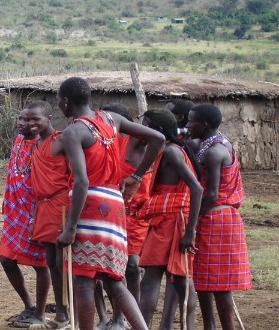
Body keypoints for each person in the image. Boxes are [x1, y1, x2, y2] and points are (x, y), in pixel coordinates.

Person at [56, 77, 164, 330]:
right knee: (114, 279)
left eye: (60, 101)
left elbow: (81, 181)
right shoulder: (110, 119)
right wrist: (137, 177)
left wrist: (71, 227)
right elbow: (158, 138)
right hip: (115, 203)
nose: (60, 105)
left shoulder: (74, 131)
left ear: (66, 102)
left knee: (83, 279)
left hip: (89, 205)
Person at [186, 104, 252, 330]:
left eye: (191, 121)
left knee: (220, 284)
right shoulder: (217, 143)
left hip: (216, 220)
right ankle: (209, 327)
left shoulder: (214, 152)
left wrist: (191, 222)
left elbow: (212, 194)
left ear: (204, 125)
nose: (187, 125)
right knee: (203, 280)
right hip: (217, 219)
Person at [136, 109, 203, 330]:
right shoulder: (171, 150)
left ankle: (142, 326)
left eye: (145, 125)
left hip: (172, 222)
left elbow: (196, 189)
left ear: (158, 131)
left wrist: (190, 232)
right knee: (178, 281)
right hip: (168, 220)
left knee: (153, 283)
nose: (140, 129)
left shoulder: (173, 152)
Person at [95, 103, 152, 330]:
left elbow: (160, 138)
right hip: (105, 210)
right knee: (96, 267)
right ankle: (103, 318)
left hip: (134, 214)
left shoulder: (137, 143)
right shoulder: (100, 141)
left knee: (130, 265)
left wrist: (137, 175)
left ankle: (125, 317)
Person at [0, 103, 51, 328]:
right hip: (16, 212)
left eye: (32, 120)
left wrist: (36, 218)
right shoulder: (19, 141)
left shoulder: (47, 146)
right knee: (6, 259)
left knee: (41, 264)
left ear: (46, 119)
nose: (24, 123)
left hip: (36, 212)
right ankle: (29, 306)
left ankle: (40, 313)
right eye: (21, 119)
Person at [28, 100, 72, 330]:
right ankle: (62, 315)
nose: (32, 123)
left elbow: (75, 173)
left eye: (37, 119)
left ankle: (72, 312)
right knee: (50, 262)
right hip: (43, 207)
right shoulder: (36, 144)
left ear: (49, 119)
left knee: (61, 260)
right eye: (28, 119)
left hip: (61, 204)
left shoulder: (61, 140)